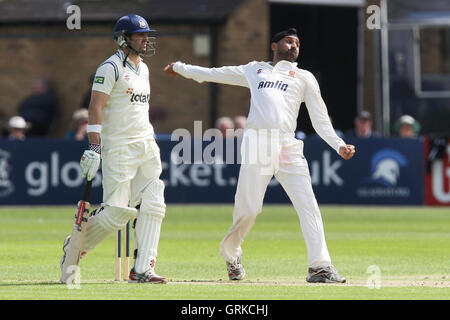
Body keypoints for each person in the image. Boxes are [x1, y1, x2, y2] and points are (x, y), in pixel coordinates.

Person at [164, 27, 355, 283]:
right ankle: (232, 255)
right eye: (289, 42)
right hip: (258, 144)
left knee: (308, 205)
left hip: (288, 145)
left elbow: (320, 119)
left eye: (297, 43)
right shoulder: (255, 70)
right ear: (274, 46)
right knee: (249, 209)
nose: (294, 46)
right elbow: (214, 74)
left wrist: (338, 144)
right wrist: (180, 67)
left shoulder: (304, 77)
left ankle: (320, 266)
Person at [60, 14, 167, 284]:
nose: (145, 39)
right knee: (117, 212)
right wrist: (94, 146)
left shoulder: (143, 68)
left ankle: (142, 269)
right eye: (139, 35)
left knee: (154, 202)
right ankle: (76, 244)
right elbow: (95, 108)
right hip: (119, 147)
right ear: (123, 38)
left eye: (146, 35)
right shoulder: (110, 68)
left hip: (146, 144)